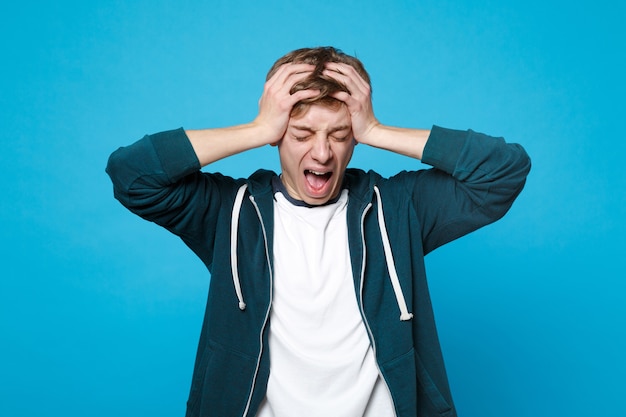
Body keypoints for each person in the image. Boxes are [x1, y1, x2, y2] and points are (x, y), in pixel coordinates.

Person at [106, 46, 531, 417]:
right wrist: (256, 130)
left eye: (341, 135)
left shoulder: (398, 208)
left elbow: (503, 173)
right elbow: (132, 175)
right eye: (302, 134)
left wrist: (377, 130)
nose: (323, 152)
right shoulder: (229, 212)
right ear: (278, 136)